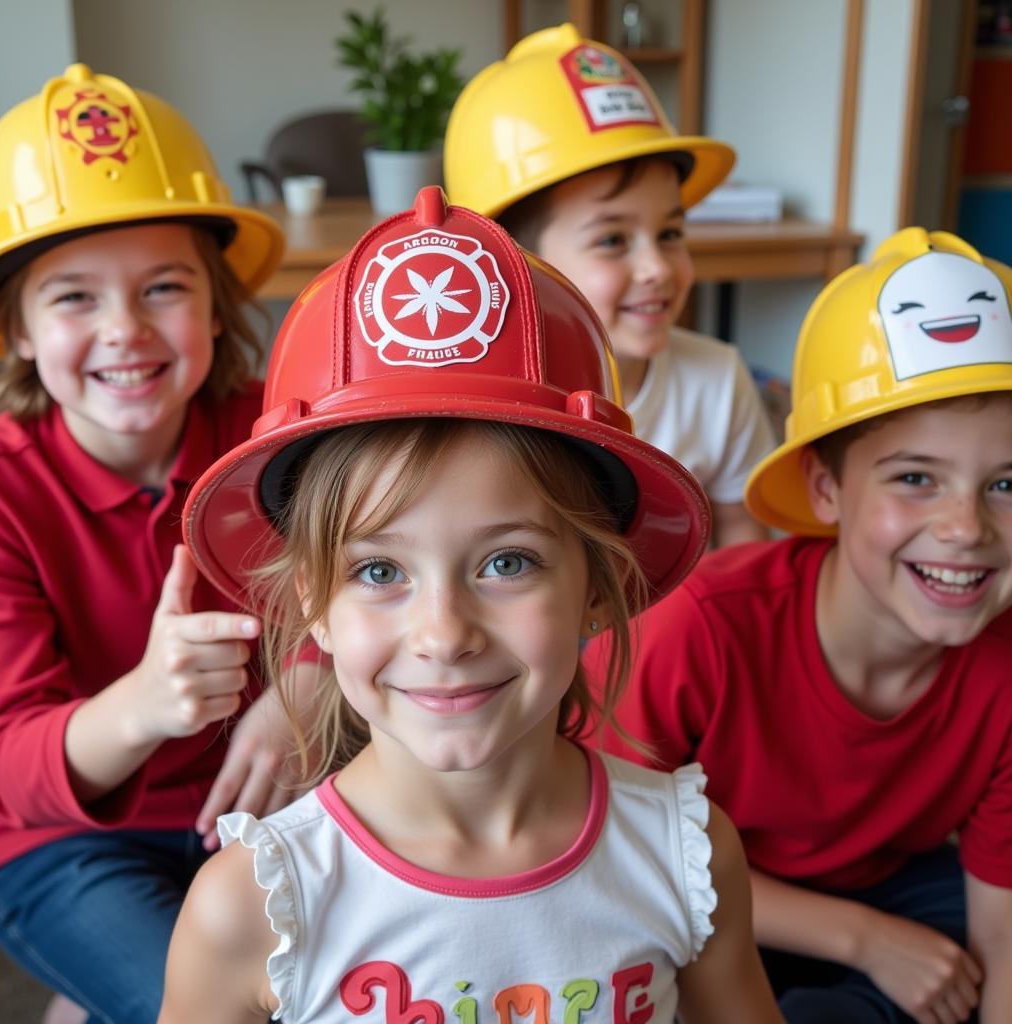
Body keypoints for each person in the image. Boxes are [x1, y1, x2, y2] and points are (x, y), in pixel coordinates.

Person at [157, 187, 782, 1024]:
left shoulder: (689, 854)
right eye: (379, 572)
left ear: (598, 586)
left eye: (508, 561)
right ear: (311, 601)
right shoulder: (253, 908)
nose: (444, 634)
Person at [586, 227, 1012, 1023]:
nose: (966, 528)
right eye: (916, 478)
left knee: (961, 968)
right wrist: (863, 938)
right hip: (688, 891)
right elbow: (607, 850)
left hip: (892, 888)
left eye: (1007, 482)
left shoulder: (1003, 674)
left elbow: (1002, 937)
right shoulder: (698, 628)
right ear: (825, 489)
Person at [0, 65, 322, 1024]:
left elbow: (372, 567)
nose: (125, 330)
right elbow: (10, 766)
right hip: (63, 844)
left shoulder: (276, 433)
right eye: (73, 298)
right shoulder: (2, 493)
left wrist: (300, 684)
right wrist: (144, 702)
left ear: (216, 307)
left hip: (270, 806)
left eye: (163, 287)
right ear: (15, 328)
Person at [443, 24, 775, 547]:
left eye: (669, 233)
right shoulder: (477, 405)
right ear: (516, 265)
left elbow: (741, 535)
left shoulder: (717, 380)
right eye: (613, 239)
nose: (658, 268)